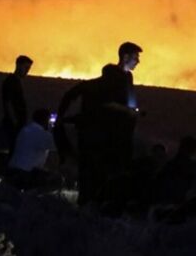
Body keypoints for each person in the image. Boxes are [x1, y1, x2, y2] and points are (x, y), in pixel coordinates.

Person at [56, 42, 143, 206]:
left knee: (98, 177)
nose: (138, 62)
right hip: (101, 139)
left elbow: (72, 94)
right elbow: (105, 102)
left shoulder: (124, 79)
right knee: (96, 177)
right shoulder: (111, 80)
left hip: (109, 138)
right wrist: (127, 111)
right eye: (135, 58)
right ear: (125, 57)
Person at [152, 136, 196, 223]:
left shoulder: (168, 165)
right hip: (173, 208)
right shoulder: (191, 166)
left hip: (159, 207)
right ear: (192, 150)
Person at [6, 108, 58, 190]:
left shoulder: (25, 129)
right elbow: (58, 145)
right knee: (56, 180)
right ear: (45, 120)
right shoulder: (41, 134)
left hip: (13, 170)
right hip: (26, 174)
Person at [2, 55, 32, 152]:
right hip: (14, 124)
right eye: (26, 68)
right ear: (19, 65)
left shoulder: (17, 82)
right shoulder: (11, 81)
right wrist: (14, 121)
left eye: (29, 68)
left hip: (18, 123)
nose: (27, 71)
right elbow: (8, 103)